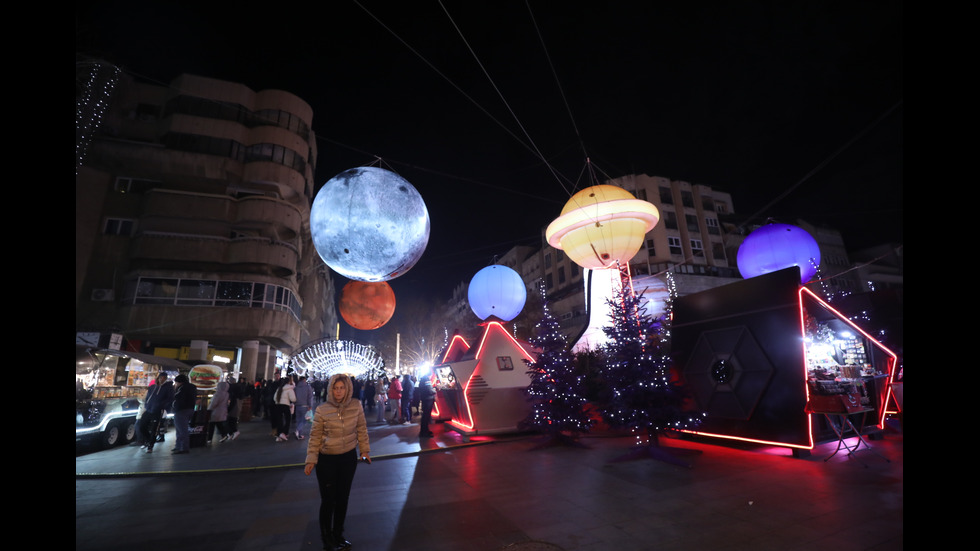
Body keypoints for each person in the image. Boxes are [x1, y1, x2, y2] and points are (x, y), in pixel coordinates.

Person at [304, 373, 370, 551]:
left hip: (347, 458)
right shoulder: (322, 409)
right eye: (335, 388)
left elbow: (361, 429)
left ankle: (338, 534)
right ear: (331, 389)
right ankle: (326, 538)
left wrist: (364, 450)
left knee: (343, 499)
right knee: (328, 500)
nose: (339, 391)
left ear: (347, 389)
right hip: (327, 460)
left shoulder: (356, 406)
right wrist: (311, 459)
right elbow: (315, 436)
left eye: (342, 388)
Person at [137, 372, 174, 453]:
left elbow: (170, 399)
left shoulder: (167, 388)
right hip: (149, 409)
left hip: (157, 411)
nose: (162, 379)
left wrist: (162, 406)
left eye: (164, 378)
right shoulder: (152, 387)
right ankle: (148, 440)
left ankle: (150, 445)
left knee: (154, 429)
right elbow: (147, 397)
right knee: (141, 426)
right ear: (158, 378)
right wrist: (147, 405)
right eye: (161, 377)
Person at [171, 374, 197, 454]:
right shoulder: (192, 387)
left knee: (181, 430)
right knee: (181, 429)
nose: (176, 384)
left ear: (180, 382)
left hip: (181, 411)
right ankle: (178, 446)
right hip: (190, 409)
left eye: (176, 382)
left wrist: (174, 407)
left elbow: (177, 399)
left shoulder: (182, 389)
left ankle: (183, 448)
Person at [274, 376, 297, 442]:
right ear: (289, 382)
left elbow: (274, 398)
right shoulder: (290, 389)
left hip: (278, 405)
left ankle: (279, 433)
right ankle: (285, 432)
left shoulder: (279, 389)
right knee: (288, 419)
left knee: (279, 420)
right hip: (286, 405)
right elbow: (293, 399)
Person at [294, 375, 315, 440]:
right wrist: (310, 405)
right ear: (304, 380)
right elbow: (310, 397)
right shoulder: (308, 387)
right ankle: (298, 430)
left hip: (297, 405)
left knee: (298, 420)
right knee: (305, 420)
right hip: (305, 406)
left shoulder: (296, 388)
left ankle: (299, 435)